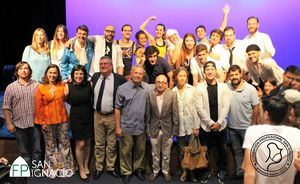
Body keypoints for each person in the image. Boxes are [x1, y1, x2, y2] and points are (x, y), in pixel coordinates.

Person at [243, 95, 300, 184]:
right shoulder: (296, 134)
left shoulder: (252, 131)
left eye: (261, 111)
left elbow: (249, 173)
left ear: (266, 114)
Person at [115, 65, 154, 183]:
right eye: (136, 73)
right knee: (125, 151)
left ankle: (139, 169)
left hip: (141, 126)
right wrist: (117, 127)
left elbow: (160, 86)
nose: (138, 75)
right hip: (126, 126)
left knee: (140, 150)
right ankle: (126, 172)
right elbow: (117, 108)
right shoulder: (122, 88)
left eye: (140, 74)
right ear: (131, 74)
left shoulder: (147, 88)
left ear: (143, 75)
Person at [34, 64, 75, 178]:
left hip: (62, 120)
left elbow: (68, 95)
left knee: (64, 144)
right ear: (46, 73)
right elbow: (38, 107)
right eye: (50, 72)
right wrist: (42, 122)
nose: (52, 75)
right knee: (50, 146)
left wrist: (69, 85)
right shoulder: (41, 87)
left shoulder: (62, 85)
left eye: (55, 73)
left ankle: (65, 168)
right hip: (47, 121)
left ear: (58, 74)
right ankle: (53, 168)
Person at [91, 56, 126, 180]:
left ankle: (110, 168)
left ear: (111, 65)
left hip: (112, 116)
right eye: (101, 64)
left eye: (106, 64)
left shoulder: (119, 79)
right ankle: (99, 167)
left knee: (111, 144)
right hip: (97, 116)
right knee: (99, 144)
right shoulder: (95, 77)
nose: (103, 66)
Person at [196, 61, 230, 184]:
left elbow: (226, 105)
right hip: (206, 126)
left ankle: (222, 171)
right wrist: (210, 123)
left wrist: (219, 122)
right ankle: (206, 172)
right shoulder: (199, 87)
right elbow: (199, 108)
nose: (209, 71)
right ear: (204, 72)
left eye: (212, 69)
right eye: (207, 69)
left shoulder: (224, 87)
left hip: (221, 125)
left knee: (223, 149)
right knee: (206, 150)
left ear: (215, 71)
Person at [2, 61, 41, 167]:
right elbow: (6, 107)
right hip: (19, 124)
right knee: (24, 152)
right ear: (17, 72)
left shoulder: (37, 85)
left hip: (35, 123)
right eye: (21, 68)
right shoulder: (11, 87)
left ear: (30, 71)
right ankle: (26, 172)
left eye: (26, 68)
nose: (24, 71)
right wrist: (9, 123)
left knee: (37, 150)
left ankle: (35, 171)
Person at [227, 65, 259, 180]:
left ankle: (252, 174)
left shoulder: (250, 89)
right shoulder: (227, 87)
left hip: (247, 128)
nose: (234, 77)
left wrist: (254, 124)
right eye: (232, 75)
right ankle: (240, 173)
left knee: (250, 152)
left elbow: (256, 107)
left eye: (236, 74)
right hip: (232, 127)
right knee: (237, 151)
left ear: (241, 74)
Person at [146, 74, 179, 182]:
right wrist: (147, 128)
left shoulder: (172, 95)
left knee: (166, 154)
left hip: (168, 129)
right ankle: (155, 171)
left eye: (163, 82)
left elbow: (175, 114)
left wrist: (175, 130)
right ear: (155, 83)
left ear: (166, 84)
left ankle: (165, 171)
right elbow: (147, 113)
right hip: (154, 128)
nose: (160, 84)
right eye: (158, 82)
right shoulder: (150, 94)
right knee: (155, 153)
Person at [172, 67, 201, 182]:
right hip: (179, 127)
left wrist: (197, 126)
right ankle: (184, 171)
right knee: (182, 151)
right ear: (175, 78)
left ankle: (192, 172)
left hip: (192, 125)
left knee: (193, 151)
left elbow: (197, 109)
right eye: (180, 76)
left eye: (184, 76)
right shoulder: (172, 92)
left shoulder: (193, 90)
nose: (182, 78)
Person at [64, 65, 93, 182]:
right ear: (73, 75)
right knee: (80, 144)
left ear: (84, 75)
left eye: (81, 74)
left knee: (88, 143)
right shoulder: (68, 86)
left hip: (89, 116)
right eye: (76, 74)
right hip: (76, 117)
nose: (79, 76)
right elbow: (65, 99)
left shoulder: (89, 85)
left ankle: (86, 165)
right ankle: (81, 168)